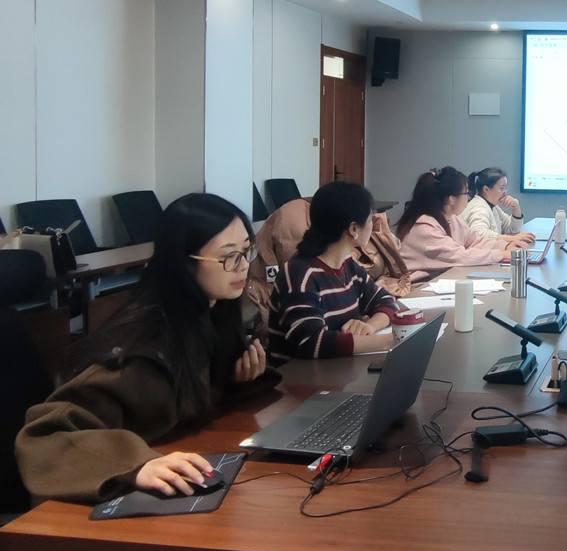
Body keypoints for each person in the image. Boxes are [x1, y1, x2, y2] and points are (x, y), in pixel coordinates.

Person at [16, 193, 277, 503]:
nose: (244, 266)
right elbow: (46, 436)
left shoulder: (212, 317)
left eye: (247, 251)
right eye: (230, 256)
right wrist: (135, 465)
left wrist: (236, 380)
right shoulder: (139, 352)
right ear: (184, 263)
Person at [269, 181, 415, 359]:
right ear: (353, 229)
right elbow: (311, 342)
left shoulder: (349, 266)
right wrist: (389, 341)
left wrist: (369, 327)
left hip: (336, 367)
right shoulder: (300, 273)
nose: (372, 225)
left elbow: (386, 301)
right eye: (370, 220)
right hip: (299, 374)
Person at [396, 167, 513, 281]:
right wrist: (501, 254)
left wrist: (505, 246)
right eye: (466, 193)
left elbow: (475, 240)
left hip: (440, 280)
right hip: (419, 287)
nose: (468, 198)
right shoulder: (425, 229)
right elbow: (460, 256)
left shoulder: (452, 219)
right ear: (451, 199)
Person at [461, 167, 536, 248]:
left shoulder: (493, 206)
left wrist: (516, 207)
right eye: (502, 188)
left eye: (506, 188)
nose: (505, 193)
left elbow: (513, 230)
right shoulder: (479, 207)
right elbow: (479, 234)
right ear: (486, 189)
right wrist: (513, 238)